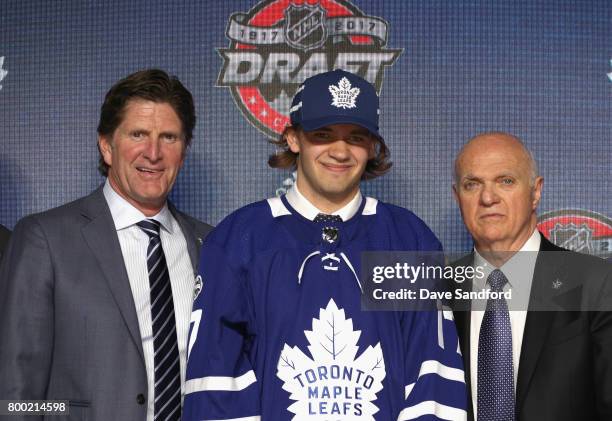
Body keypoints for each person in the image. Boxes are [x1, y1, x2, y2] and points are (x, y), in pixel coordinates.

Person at [183, 70, 467, 420]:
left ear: (373, 147)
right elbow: (216, 378)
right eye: (323, 134)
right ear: (293, 139)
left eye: (356, 137)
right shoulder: (241, 239)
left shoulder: (406, 239)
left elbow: (432, 374)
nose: (340, 151)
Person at [0, 69, 212, 421]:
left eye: (169, 137)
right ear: (107, 146)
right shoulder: (45, 240)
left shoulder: (211, 245)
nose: (153, 152)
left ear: (184, 151)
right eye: (138, 134)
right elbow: (15, 395)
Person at [451, 132, 612, 421]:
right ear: (457, 196)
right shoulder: (437, 291)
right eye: (472, 184)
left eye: (506, 181)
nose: (488, 198)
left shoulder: (597, 284)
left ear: (535, 192)